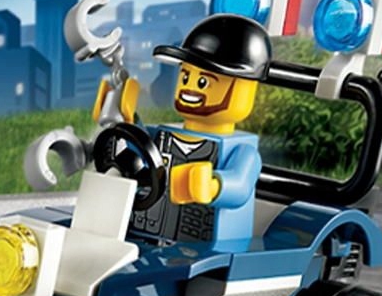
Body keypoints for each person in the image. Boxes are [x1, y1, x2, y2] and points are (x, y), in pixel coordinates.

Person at [97, 14, 270, 247]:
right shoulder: (164, 135)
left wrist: (213, 185)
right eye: (186, 77)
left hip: (210, 252)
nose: (189, 89)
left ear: (245, 89)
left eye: (203, 82)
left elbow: (240, 187)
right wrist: (126, 119)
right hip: (148, 238)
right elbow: (141, 147)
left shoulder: (243, 150)